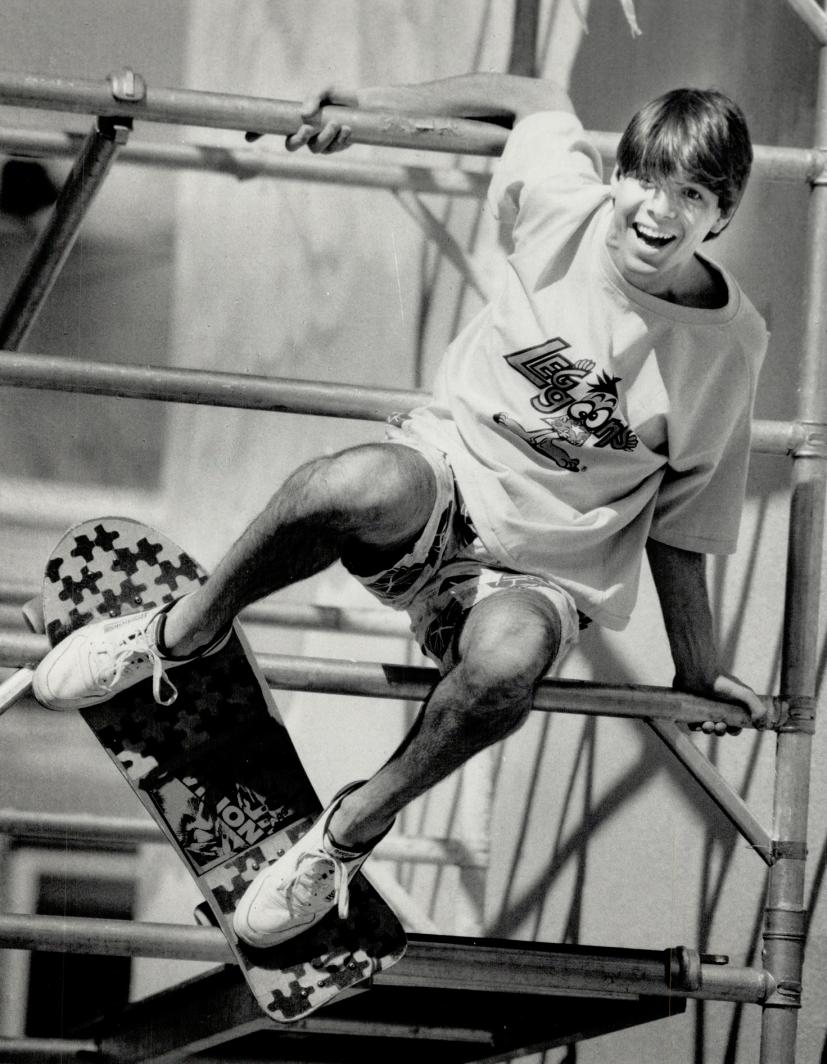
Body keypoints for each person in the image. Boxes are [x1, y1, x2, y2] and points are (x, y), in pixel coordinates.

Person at [32, 73, 769, 949]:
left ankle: (345, 835)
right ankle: (175, 636)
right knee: (348, 485)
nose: (659, 210)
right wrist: (370, 112)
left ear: (719, 217)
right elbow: (529, 93)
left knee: (507, 668)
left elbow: (682, 524)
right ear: (616, 176)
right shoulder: (561, 207)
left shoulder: (729, 346)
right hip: (443, 483)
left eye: (690, 195)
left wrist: (697, 669)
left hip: (540, 574)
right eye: (646, 179)